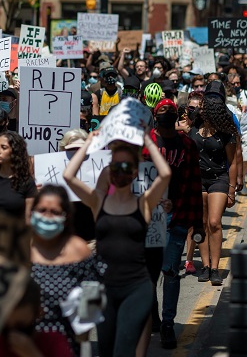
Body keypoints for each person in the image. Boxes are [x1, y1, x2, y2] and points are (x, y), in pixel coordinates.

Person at [63, 131, 172, 357]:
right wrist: (89, 144)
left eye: (125, 166)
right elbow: (68, 175)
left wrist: (149, 141)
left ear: (134, 172)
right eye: (115, 165)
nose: (119, 171)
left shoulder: (144, 203)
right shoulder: (97, 201)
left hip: (136, 286)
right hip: (103, 287)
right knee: (105, 348)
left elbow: (165, 173)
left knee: (123, 349)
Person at [146, 99, 204, 349]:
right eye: (163, 111)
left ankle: (168, 324)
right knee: (149, 274)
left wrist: (197, 224)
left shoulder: (187, 146)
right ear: (155, 116)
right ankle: (152, 315)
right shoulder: (144, 145)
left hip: (176, 217)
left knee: (170, 271)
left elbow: (194, 185)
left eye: (172, 111)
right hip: (149, 219)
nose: (168, 115)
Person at [30, 185, 103, 355]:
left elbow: (93, 298)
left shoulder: (79, 251)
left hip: (67, 346)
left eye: (54, 212)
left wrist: (83, 335)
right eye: (42, 210)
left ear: (66, 216)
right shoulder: (23, 249)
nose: (47, 217)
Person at [188, 81, 238, 286]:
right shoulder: (193, 124)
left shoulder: (226, 129)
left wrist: (232, 190)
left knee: (214, 223)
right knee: (201, 225)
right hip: (196, 180)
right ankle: (206, 266)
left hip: (218, 178)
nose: (208, 103)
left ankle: (215, 268)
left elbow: (233, 162)